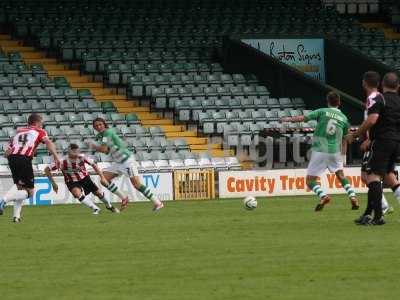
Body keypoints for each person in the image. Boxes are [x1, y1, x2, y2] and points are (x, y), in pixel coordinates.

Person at [281, 91, 358, 211]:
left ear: (327, 101)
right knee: (341, 175)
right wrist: (343, 155)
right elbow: (345, 139)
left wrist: (288, 119)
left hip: (320, 150)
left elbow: (303, 117)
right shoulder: (344, 118)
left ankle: (323, 196)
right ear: (339, 103)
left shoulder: (322, 111)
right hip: (334, 151)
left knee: (310, 180)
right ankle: (352, 196)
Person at [348, 72, 400, 225]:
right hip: (395, 142)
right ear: (397, 86)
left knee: (372, 177)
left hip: (381, 141)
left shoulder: (377, 98)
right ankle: (368, 213)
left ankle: (378, 215)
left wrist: (357, 135)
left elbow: (373, 119)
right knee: (389, 176)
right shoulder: (397, 100)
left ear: (383, 84)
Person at [87, 118, 164, 211]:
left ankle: (158, 203)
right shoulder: (101, 135)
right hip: (118, 162)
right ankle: (124, 198)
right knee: (104, 179)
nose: (98, 127)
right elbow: (106, 151)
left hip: (127, 160)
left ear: (104, 124)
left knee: (137, 184)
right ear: (94, 128)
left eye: (100, 124)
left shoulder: (108, 132)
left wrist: (93, 146)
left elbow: (103, 149)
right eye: (96, 126)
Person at [0, 113, 61, 222]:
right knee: (30, 192)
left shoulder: (18, 132)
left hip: (12, 159)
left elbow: (6, 153)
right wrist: (56, 157)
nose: (42, 125)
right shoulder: (40, 131)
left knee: (20, 188)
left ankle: (16, 217)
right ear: (37, 122)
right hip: (24, 159)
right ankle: (3, 199)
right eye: (41, 123)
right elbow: (48, 143)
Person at [44, 143, 119, 215]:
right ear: (69, 152)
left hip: (84, 178)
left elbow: (94, 165)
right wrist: (53, 183)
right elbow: (47, 169)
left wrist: (102, 177)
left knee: (98, 193)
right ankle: (95, 208)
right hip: (71, 181)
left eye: (76, 151)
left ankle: (109, 206)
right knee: (77, 194)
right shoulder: (62, 161)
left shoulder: (82, 157)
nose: (76, 153)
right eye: (73, 152)